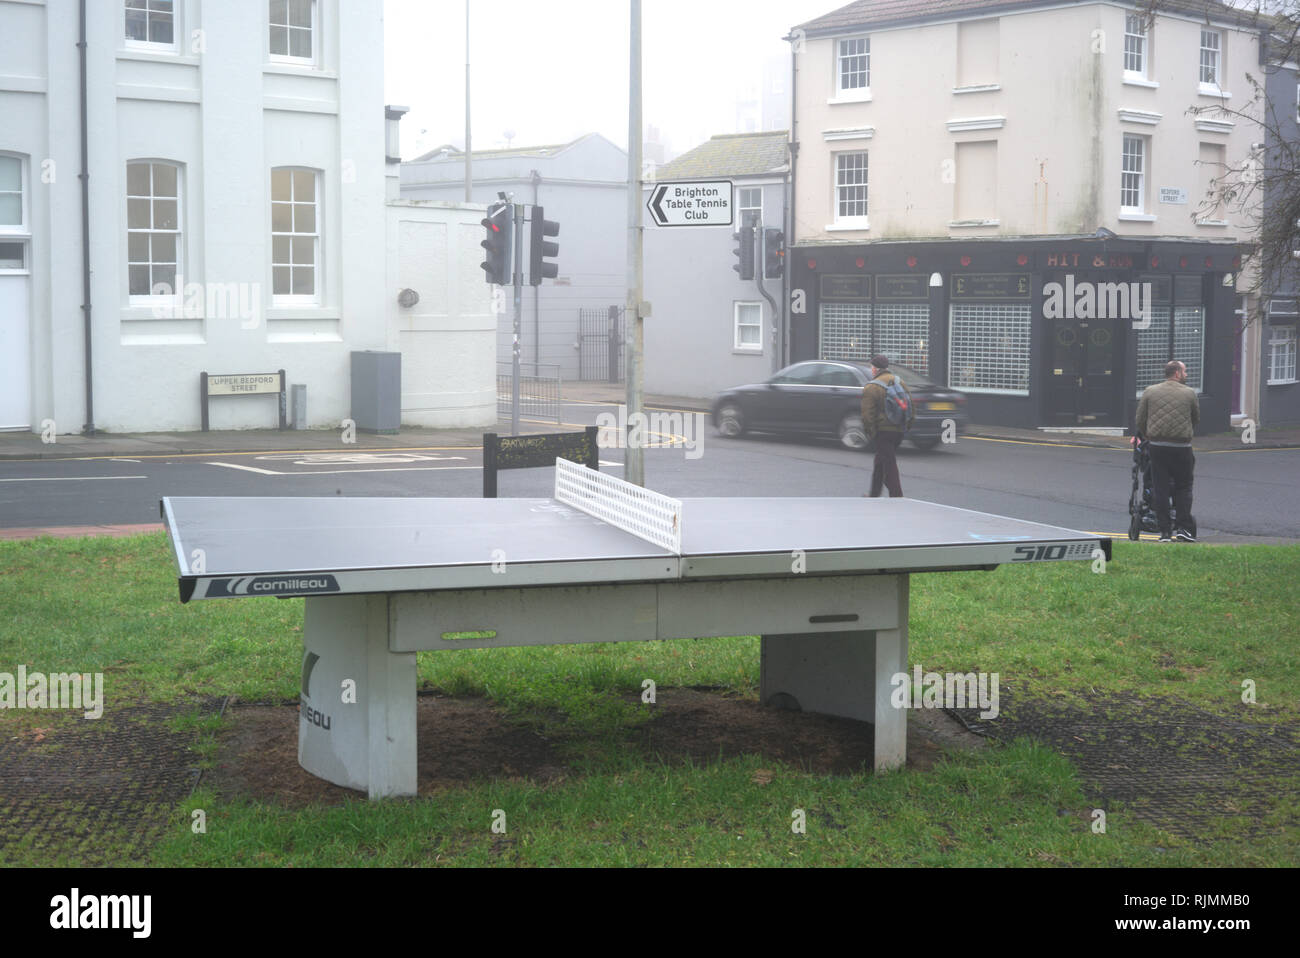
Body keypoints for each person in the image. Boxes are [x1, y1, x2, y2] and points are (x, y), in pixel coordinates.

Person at [1135, 359, 1199, 542]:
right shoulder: (1189, 393)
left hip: (1157, 447)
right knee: (1184, 487)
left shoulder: (1150, 391)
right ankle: (1183, 529)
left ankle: (1164, 532)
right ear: (1177, 373)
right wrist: (1184, 432)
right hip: (1182, 447)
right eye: (1185, 372)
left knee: (1160, 488)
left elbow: (1140, 419)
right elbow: (1196, 418)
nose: (1186, 375)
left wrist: (1149, 435)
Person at [860, 354, 914, 497]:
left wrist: (872, 434)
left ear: (875, 369)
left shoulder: (871, 387)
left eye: (871, 367)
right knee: (880, 462)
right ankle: (874, 494)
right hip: (898, 431)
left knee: (889, 464)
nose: (871, 370)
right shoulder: (899, 381)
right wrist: (907, 426)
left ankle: (897, 496)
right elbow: (910, 405)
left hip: (883, 432)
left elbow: (867, 415)